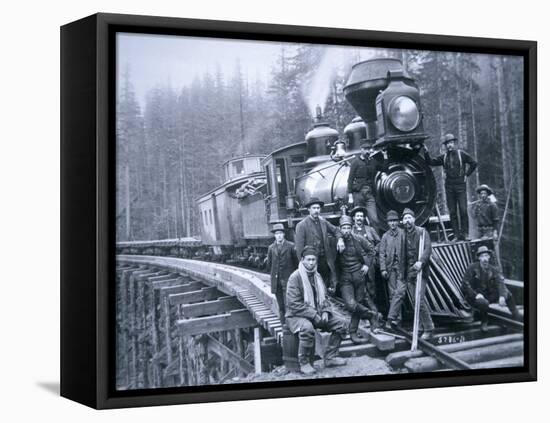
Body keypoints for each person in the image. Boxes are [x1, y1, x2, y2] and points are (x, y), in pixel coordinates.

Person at [286, 246, 348, 375]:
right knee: (307, 328)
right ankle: (304, 362)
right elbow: (294, 305)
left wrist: (325, 311)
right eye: (308, 259)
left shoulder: (317, 276)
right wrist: (314, 315)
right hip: (296, 316)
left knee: (342, 323)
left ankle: (330, 357)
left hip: (317, 314)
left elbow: (324, 297)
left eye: (313, 260)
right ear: (302, 260)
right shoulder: (295, 278)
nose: (311, 263)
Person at [386, 208, 434, 339]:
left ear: (414, 219)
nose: (407, 221)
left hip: (420, 271)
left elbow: (428, 249)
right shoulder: (403, 235)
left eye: (409, 218)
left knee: (419, 299)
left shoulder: (422, 232)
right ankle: (393, 320)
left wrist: (421, 262)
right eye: (405, 218)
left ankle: (429, 328)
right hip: (407, 273)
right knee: (406, 297)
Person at [336, 215, 381, 344]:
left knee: (358, 303)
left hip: (359, 276)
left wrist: (367, 265)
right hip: (345, 278)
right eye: (343, 228)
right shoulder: (336, 241)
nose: (346, 230)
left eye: (348, 228)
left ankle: (353, 332)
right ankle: (371, 315)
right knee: (351, 305)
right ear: (340, 229)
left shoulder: (359, 239)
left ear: (351, 228)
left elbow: (371, 250)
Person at [425, 133, 477, 241]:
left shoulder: (461, 154)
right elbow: (431, 162)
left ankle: (465, 234)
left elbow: (473, 163)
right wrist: (425, 152)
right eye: (448, 143)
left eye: (451, 143)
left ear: (454, 143)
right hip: (449, 186)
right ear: (445, 145)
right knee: (452, 211)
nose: (450, 145)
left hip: (460, 185)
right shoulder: (443, 157)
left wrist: (467, 174)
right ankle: (457, 235)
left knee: (463, 210)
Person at [461, 246, 520, 332]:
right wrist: (475, 295)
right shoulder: (472, 268)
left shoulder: (493, 269)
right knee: (483, 302)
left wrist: (502, 296)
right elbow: (465, 284)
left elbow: (500, 283)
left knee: (508, 293)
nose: (484, 259)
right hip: (474, 297)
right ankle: (484, 321)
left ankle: (516, 316)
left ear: (489, 257)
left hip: (487, 295)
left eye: (486, 256)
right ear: (479, 258)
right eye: (482, 256)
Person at [294, 197, 345, 290]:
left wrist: (340, 240)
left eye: (318, 208)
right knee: (313, 286)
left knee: (324, 283)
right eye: (314, 208)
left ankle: (325, 299)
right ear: (309, 209)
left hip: (324, 260)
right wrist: (303, 264)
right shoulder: (302, 225)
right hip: (311, 262)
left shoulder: (323, 222)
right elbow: (299, 249)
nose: (316, 210)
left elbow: (337, 230)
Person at [347, 140, 384, 229]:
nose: (368, 151)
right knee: (360, 220)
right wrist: (350, 196)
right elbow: (350, 179)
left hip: (369, 194)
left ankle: (376, 242)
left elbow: (383, 168)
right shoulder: (355, 162)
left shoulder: (373, 161)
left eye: (369, 149)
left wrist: (385, 156)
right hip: (358, 194)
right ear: (361, 150)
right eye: (365, 149)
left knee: (374, 220)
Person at [266, 223, 299, 325]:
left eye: (280, 233)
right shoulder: (271, 248)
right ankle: (283, 325)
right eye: (277, 233)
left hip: (288, 281)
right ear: (274, 235)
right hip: (277, 282)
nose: (279, 235)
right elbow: (269, 265)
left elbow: (296, 264)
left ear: (284, 234)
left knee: (288, 305)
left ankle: (291, 326)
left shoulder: (291, 246)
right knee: (281, 306)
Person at [379, 210, 405, 328]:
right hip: (390, 269)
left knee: (399, 292)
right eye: (390, 221)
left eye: (395, 221)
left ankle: (391, 317)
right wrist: (383, 268)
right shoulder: (385, 236)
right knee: (392, 294)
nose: (393, 223)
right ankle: (397, 319)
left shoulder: (403, 233)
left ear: (398, 222)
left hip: (401, 268)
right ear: (388, 223)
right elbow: (381, 253)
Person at [351, 206, 380, 303]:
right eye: (357, 216)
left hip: (369, 261)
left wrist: (374, 251)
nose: (359, 218)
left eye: (361, 216)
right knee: (357, 286)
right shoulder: (350, 231)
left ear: (364, 218)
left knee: (371, 285)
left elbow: (379, 243)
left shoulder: (370, 229)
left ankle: (373, 309)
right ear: (354, 218)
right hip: (355, 262)